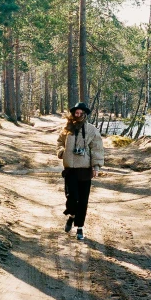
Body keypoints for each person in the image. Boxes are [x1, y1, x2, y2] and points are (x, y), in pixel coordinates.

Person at [57, 102, 104, 241]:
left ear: (85, 115)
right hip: (70, 169)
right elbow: (59, 142)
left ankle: (79, 228)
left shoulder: (91, 130)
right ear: (73, 114)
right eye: (76, 113)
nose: (78, 115)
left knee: (83, 201)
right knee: (71, 198)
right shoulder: (67, 128)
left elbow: (97, 149)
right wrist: (61, 152)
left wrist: (96, 167)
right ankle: (71, 216)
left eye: (80, 113)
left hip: (85, 170)